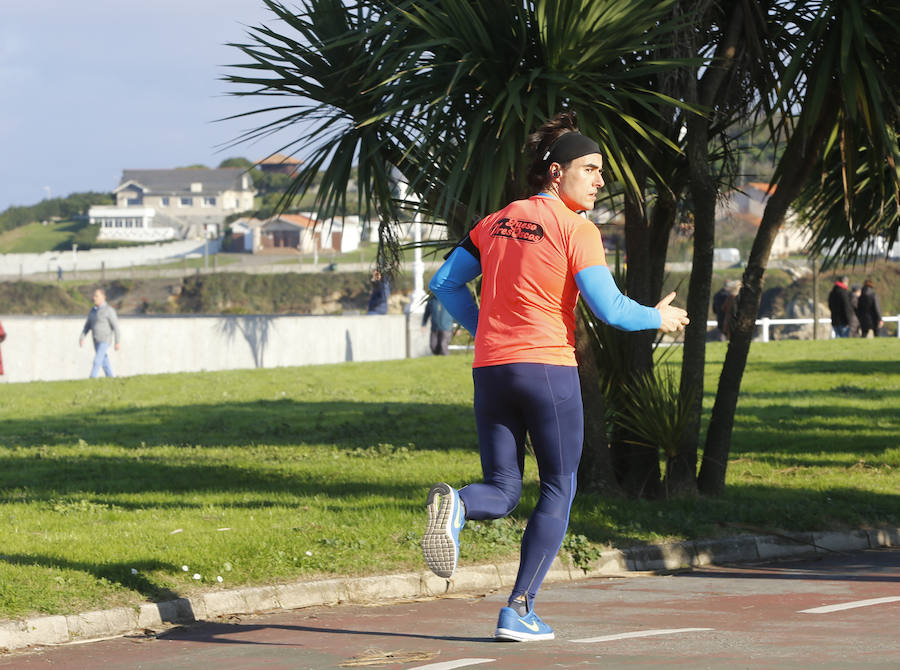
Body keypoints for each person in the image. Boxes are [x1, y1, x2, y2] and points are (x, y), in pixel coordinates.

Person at [422, 111, 688, 642]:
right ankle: (518, 609)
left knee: (500, 489)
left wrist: (484, 332)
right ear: (554, 172)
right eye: (589, 168)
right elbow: (610, 309)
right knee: (558, 487)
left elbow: (443, 283)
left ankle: (459, 505)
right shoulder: (576, 228)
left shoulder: (494, 222)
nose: (599, 179)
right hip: (547, 369)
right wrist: (659, 317)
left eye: (600, 171)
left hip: (492, 370)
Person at [79, 288, 121, 378]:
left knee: (97, 360)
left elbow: (116, 327)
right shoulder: (93, 311)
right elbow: (87, 326)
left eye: (96, 296)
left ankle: (92, 377)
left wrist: (117, 342)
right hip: (96, 340)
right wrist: (82, 337)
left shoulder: (109, 310)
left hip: (105, 340)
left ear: (103, 297)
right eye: (94, 296)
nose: (94, 298)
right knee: (104, 362)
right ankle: (111, 378)